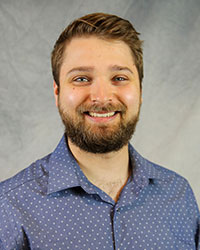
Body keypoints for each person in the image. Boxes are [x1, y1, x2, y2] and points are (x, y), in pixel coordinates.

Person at [0, 12, 199, 250]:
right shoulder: (10, 205)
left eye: (119, 77)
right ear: (57, 92)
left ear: (140, 90)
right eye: (82, 78)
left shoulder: (178, 195)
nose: (101, 97)